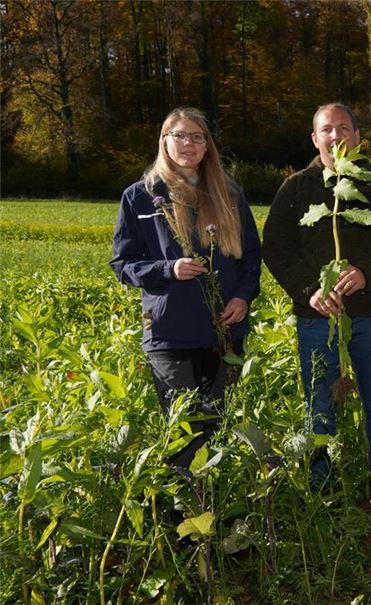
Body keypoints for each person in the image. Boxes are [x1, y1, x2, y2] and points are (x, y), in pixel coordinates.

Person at [262, 102, 371, 515]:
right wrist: (309, 290)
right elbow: (276, 248)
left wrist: (368, 274)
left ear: (357, 136)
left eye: (343, 128)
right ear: (315, 139)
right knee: (319, 405)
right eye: (326, 130)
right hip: (317, 319)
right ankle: (324, 489)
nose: (335, 136)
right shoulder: (296, 188)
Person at [111, 107, 262, 472]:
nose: (189, 143)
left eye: (198, 137)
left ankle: (214, 508)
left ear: (208, 147)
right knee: (185, 431)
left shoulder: (229, 194)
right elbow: (122, 264)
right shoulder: (140, 197)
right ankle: (184, 516)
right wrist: (168, 269)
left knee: (218, 426)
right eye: (179, 135)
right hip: (169, 333)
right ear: (164, 141)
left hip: (225, 334)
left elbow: (251, 256)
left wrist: (243, 296)